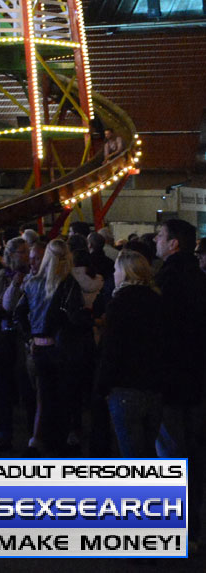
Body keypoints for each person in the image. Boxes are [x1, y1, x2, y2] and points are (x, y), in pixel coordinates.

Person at [154, 218, 206, 549]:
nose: (155, 241)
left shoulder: (166, 281)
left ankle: (177, 529)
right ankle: (196, 529)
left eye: (160, 236)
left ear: (174, 244)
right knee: (196, 452)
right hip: (199, 379)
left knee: (171, 455)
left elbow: (160, 335)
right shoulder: (201, 280)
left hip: (171, 380)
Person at [16, 237, 85, 454]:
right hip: (60, 350)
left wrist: (29, 336)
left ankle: (37, 440)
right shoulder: (68, 284)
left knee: (41, 398)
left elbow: (19, 313)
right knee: (61, 400)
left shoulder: (33, 283)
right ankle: (57, 446)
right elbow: (74, 319)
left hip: (37, 348)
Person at [94, 249, 164, 455]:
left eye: (116, 269)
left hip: (125, 387)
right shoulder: (157, 300)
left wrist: (102, 386)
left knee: (130, 451)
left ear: (125, 272)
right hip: (154, 386)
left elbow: (112, 349)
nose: (113, 274)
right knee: (149, 450)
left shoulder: (119, 303)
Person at [0, 236, 30, 451]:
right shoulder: (0, 276)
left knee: (26, 385)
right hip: (4, 334)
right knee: (2, 386)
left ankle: (33, 435)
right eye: (22, 251)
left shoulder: (32, 276)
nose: (27, 255)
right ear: (12, 254)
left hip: (23, 336)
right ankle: (3, 433)